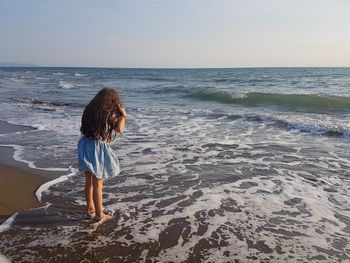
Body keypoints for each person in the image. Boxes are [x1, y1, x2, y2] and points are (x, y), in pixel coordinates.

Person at [77, 87, 126, 223]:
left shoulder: (89, 109)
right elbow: (119, 129)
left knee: (89, 182)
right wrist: (123, 115)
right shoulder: (108, 114)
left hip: (84, 144)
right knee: (98, 183)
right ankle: (99, 214)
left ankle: (90, 209)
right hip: (96, 147)